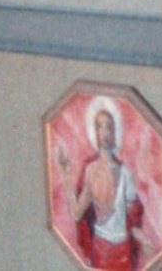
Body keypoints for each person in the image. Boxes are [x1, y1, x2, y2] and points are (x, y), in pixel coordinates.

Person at [56, 99, 147, 270]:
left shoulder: (126, 173)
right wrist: (66, 174)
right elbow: (76, 213)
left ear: (115, 132)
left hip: (123, 249)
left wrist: (144, 239)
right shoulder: (91, 171)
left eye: (108, 127)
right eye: (99, 126)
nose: (104, 132)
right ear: (95, 132)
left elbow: (132, 219)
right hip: (101, 248)